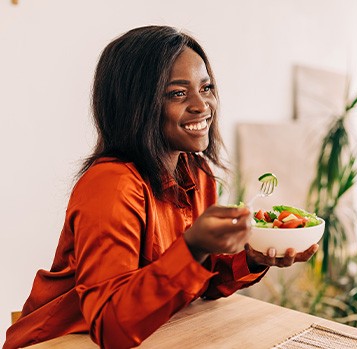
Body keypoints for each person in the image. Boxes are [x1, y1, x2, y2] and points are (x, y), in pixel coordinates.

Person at [3, 25, 318, 349]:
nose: (202, 105)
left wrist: (253, 259)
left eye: (206, 88)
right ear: (135, 104)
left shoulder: (197, 175)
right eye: (178, 93)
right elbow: (110, 326)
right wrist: (193, 247)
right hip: (56, 343)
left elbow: (198, 283)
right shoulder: (111, 185)